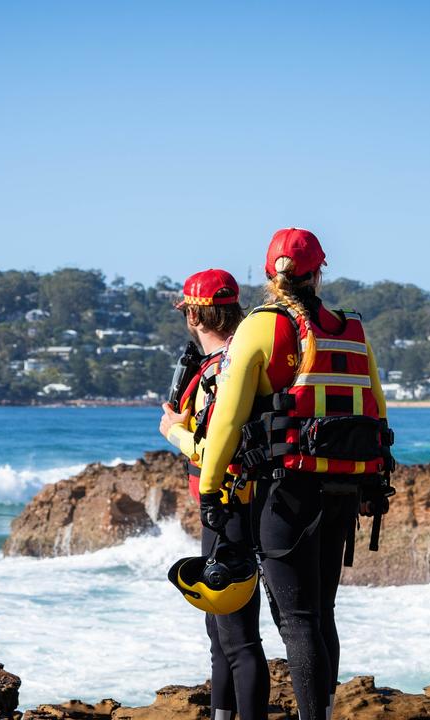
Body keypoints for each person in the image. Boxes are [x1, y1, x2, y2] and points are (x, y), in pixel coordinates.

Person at [197, 229, 393, 720]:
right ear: (319, 272)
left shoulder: (263, 326)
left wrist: (209, 488)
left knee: (297, 620)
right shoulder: (350, 328)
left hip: (287, 493)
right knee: (320, 615)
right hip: (343, 490)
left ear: (268, 273)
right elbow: (377, 413)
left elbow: (226, 418)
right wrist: (373, 484)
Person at [159, 269, 269, 720]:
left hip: (228, 505)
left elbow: (215, 447)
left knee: (237, 635)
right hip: (243, 503)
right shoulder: (238, 360)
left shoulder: (223, 369)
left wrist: (175, 433)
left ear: (193, 316)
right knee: (219, 628)